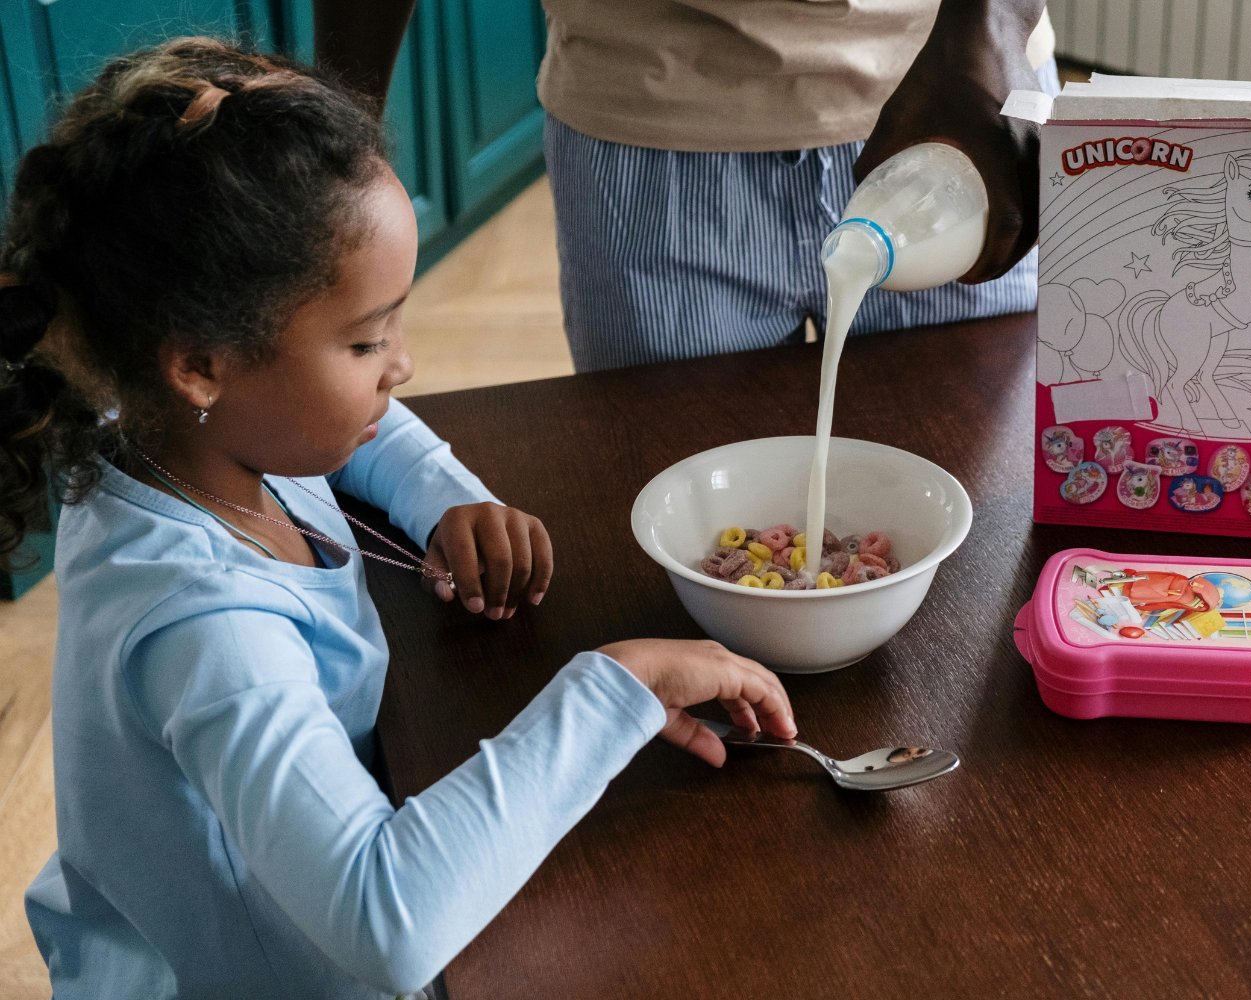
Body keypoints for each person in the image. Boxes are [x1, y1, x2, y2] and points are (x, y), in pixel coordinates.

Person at [4, 38, 795, 998]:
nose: (403, 365)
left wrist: (444, 495)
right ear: (201, 362)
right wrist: (617, 685)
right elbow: (389, 920)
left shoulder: (171, 425)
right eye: (367, 338)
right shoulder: (208, 631)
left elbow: (361, 422)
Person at [313, 0, 1059, 372]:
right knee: (682, 541)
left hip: (950, 111)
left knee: (968, 525)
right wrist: (339, 145)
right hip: (647, 134)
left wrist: (989, 18)